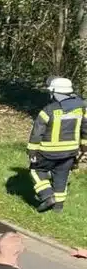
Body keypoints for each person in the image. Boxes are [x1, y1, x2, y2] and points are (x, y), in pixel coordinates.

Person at [26, 76, 87, 213]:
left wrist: (32, 151)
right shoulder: (81, 108)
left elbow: (37, 132)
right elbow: (85, 128)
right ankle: (58, 207)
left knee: (36, 170)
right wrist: (84, 146)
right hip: (70, 152)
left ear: (54, 92)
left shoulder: (48, 110)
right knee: (61, 176)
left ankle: (47, 196)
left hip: (48, 152)